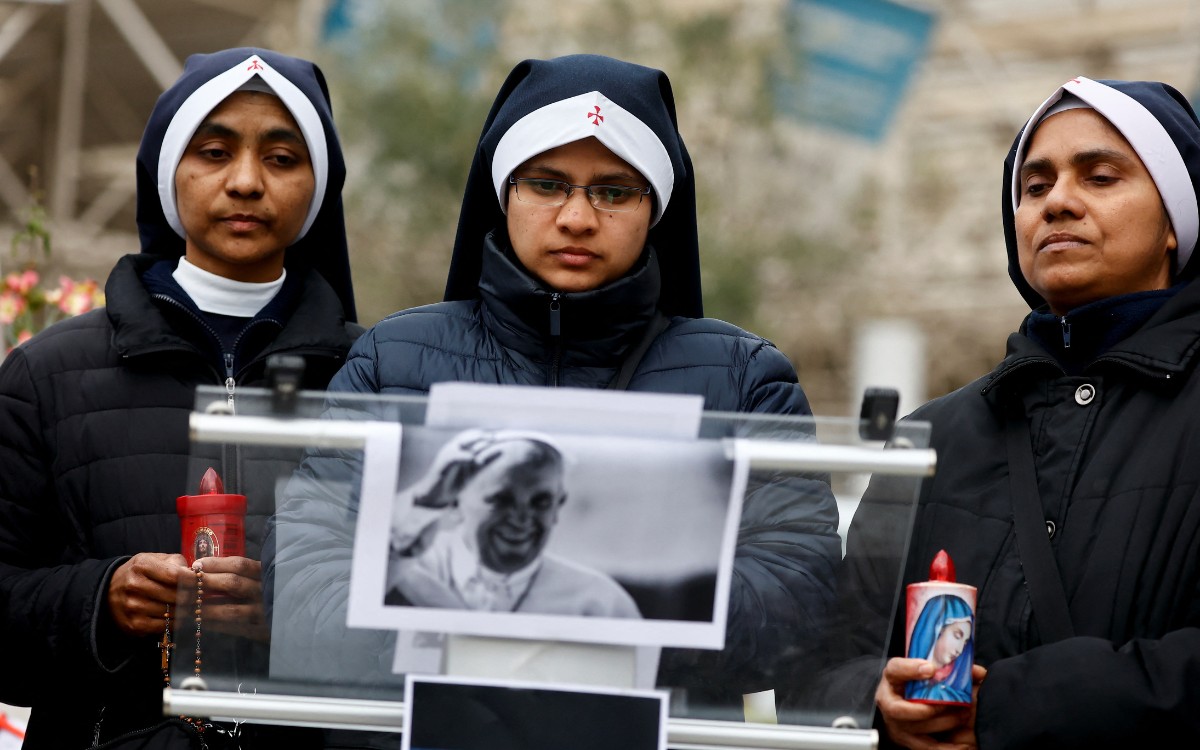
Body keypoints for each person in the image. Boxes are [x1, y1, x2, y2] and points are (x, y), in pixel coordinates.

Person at [268, 53, 840, 714]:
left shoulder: (744, 379)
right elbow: (305, 576)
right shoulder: (391, 361)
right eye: (546, 184)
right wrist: (456, 644)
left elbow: (799, 597)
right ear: (504, 194)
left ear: (654, 207)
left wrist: (603, 620)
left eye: (614, 191)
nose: (576, 218)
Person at [0, 47, 359, 749]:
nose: (247, 182)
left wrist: (291, 616)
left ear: (318, 187)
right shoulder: (47, 375)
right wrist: (99, 599)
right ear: (168, 170)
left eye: (283, 158)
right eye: (215, 152)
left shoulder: (370, 376)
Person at [857, 76, 1200, 749]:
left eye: (1100, 177)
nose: (1058, 203)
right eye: (1034, 187)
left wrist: (1012, 709)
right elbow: (833, 646)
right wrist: (878, 701)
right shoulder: (933, 436)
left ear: (1175, 225)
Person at [385, 429, 641, 617]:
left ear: (558, 506)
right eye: (501, 499)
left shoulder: (600, 603)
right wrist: (423, 504)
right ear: (455, 500)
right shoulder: (402, 572)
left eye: (540, 502)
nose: (521, 519)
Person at [903, 595, 973, 705]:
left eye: (965, 642)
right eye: (957, 636)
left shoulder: (957, 691)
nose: (959, 650)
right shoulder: (914, 689)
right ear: (937, 629)